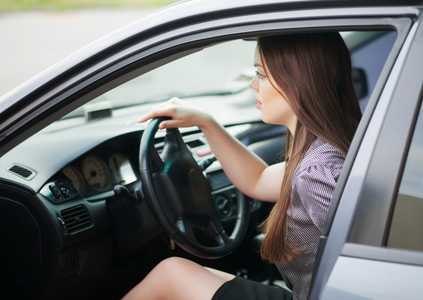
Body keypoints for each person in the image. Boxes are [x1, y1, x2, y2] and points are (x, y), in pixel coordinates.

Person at [123, 32, 362, 300]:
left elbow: (362, 270)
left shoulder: (317, 172)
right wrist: (206, 122)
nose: (252, 84)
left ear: (297, 80)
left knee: (170, 274)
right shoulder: (327, 150)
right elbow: (257, 179)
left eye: (260, 74)